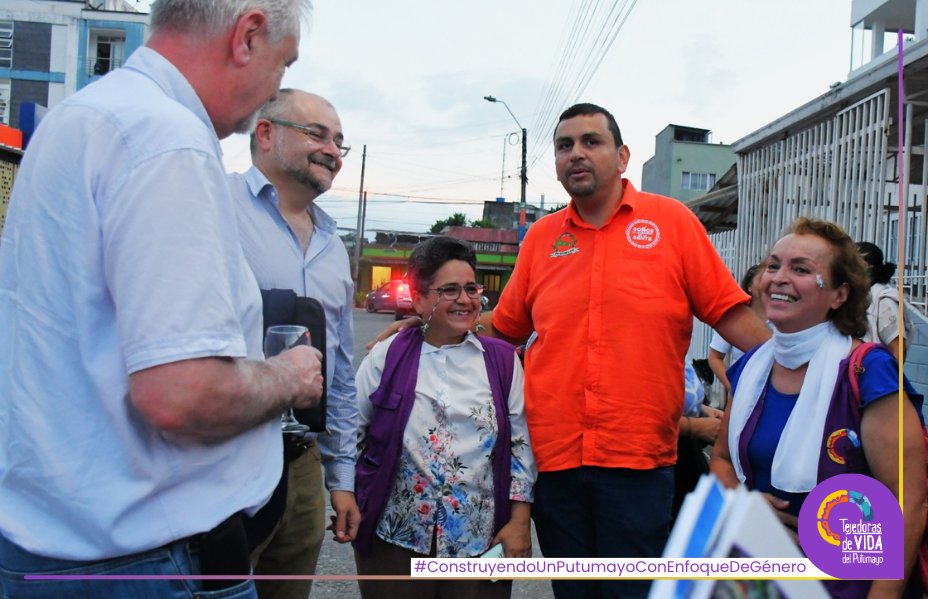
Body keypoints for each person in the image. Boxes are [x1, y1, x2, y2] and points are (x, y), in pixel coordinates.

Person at [0, 2, 322, 598]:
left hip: (52, 547)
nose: (276, 88)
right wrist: (289, 375)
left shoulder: (80, 119)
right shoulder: (167, 139)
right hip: (148, 564)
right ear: (248, 35)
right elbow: (182, 394)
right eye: (284, 64)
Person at [462, 103, 769, 599]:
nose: (576, 154)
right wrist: (433, 327)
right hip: (556, 459)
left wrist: (804, 364)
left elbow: (730, 314)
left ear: (622, 156)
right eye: (565, 146)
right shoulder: (542, 238)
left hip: (639, 462)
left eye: (591, 142)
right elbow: (504, 328)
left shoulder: (671, 223)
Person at [711, 217, 926, 598]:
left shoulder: (869, 373)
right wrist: (742, 501)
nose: (778, 277)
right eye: (772, 265)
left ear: (839, 295)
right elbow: (724, 460)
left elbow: (909, 501)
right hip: (762, 579)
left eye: (801, 269)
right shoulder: (751, 368)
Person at [354, 236, 536, 599]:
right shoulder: (387, 356)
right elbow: (351, 431)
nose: (465, 300)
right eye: (449, 290)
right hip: (396, 534)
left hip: (479, 537)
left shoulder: (501, 361)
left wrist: (519, 522)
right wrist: (346, 495)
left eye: (471, 288)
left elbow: (521, 447)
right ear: (419, 298)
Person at [230, 89, 359, 599]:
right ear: (265, 134)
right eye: (317, 134)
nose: (332, 149)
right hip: (226, 454)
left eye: (340, 142)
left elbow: (342, 373)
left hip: (302, 464)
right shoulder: (214, 205)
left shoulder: (333, 246)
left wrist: (339, 477)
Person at [708, 263, 766, 403]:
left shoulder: (782, 318)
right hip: (742, 395)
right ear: (749, 287)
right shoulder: (736, 316)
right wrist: (733, 387)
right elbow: (714, 357)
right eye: (762, 278)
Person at [857, 241, 908, 362]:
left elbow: (899, 350)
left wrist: (887, 377)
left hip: (873, 376)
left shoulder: (884, 301)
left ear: (867, 268)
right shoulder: (859, 296)